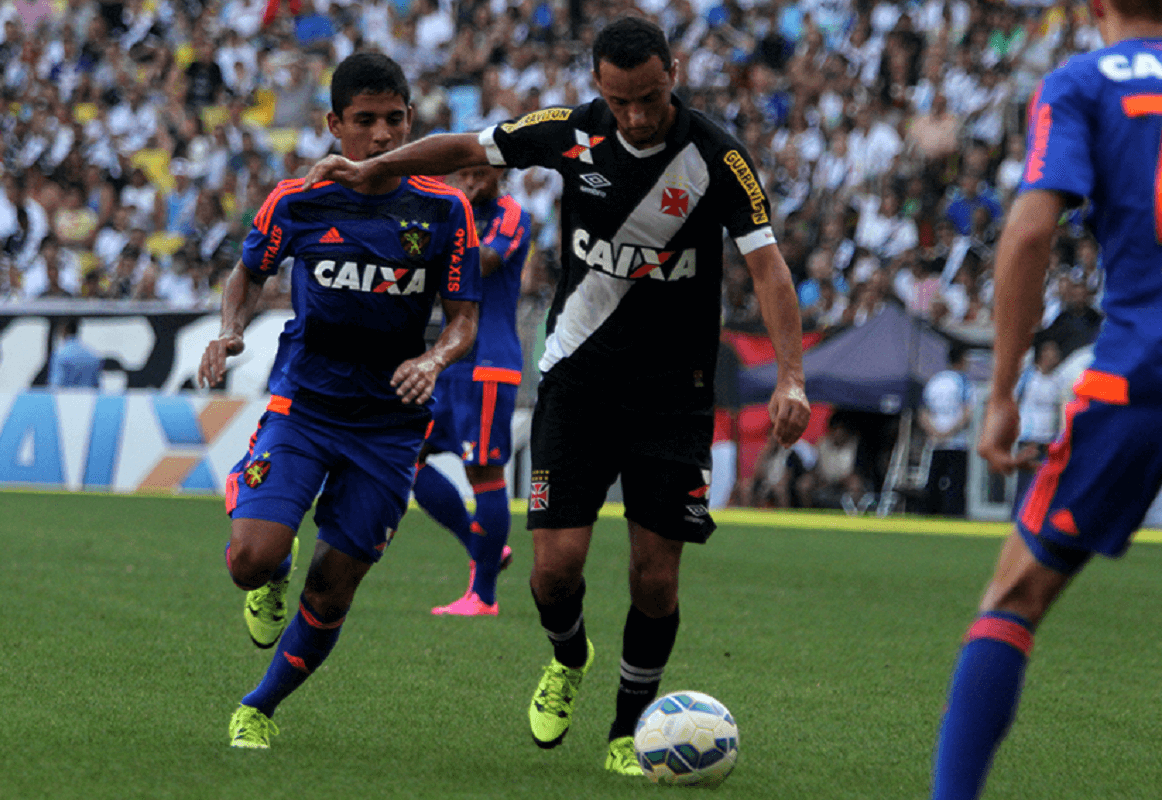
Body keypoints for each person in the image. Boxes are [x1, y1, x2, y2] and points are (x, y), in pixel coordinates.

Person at [303, 16, 811, 776]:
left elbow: (768, 269)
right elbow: (467, 147)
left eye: (649, 97)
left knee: (655, 573)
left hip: (674, 393)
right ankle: (569, 657)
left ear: (672, 74)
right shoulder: (570, 132)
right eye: (620, 99)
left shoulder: (717, 156)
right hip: (578, 377)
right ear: (599, 87)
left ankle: (629, 727)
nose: (635, 115)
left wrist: (793, 376)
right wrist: (382, 169)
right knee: (553, 571)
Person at [196, 52, 481, 750]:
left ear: (412, 121)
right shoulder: (297, 199)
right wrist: (229, 331)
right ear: (335, 124)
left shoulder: (445, 209)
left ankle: (258, 707)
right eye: (364, 121)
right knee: (251, 561)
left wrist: (434, 357)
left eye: (393, 120)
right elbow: (246, 274)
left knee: (334, 589)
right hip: (307, 405)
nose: (381, 135)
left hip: (389, 426)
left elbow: (464, 320)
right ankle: (273, 563)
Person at [930, 2, 1162, 797]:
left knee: (1014, 595)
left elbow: (1029, 235)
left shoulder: (1080, 83)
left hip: (1143, 370)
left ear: (1096, 5)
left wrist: (1002, 392)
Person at [413, 163, 531, 616]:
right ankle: (483, 548)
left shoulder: (511, 213)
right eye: (462, 175)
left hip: (489, 362)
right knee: (409, 458)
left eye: (479, 173)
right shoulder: (451, 213)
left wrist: (437, 242)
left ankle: (483, 596)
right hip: (451, 360)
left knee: (483, 471)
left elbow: (485, 261)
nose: (470, 182)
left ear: (498, 172)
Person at [1010, 337, 1064, 517]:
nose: (1056, 355)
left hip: (1048, 439)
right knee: (1025, 484)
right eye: (1052, 351)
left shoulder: (1058, 379)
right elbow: (1015, 402)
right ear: (1042, 355)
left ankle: (1040, 520)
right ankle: (1017, 519)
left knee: (1046, 484)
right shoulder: (1028, 377)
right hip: (1029, 437)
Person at [918, 343, 973, 517]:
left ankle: (929, 514)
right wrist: (949, 432)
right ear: (962, 361)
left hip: (936, 441)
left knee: (933, 480)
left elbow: (922, 412)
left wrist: (934, 432)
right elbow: (967, 413)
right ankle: (952, 515)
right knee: (955, 483)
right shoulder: (963, 382)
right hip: (956, 442)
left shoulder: (935, 381)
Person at [48, 317, 101, 388]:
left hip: (65, 397)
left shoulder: (60, 354)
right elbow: (96, 385)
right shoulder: (92, 355)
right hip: (88, 397)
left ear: (65, 330)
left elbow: (55, 385)